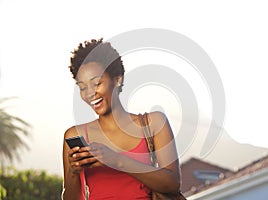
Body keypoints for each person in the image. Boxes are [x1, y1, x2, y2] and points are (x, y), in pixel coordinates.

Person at [62, 38, 181, 200]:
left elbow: (172, 184)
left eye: (96, 83)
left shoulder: (154, 123)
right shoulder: (74, 135)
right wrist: (74, 173)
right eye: (83, 87)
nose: (90, 93)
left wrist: (117, 160)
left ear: (117, 79)